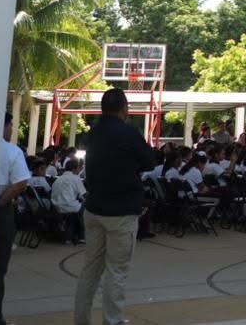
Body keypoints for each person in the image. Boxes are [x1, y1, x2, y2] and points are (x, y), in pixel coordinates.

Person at [73, 87, 158, 325]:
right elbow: (150, 161)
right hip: (121, 211)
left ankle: (81, 319)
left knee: (90, 269)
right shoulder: (129, 133)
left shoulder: (92, 133)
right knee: (116, 271)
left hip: (94, 207)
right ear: (124, 108)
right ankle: (112, 320)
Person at [0, 112, 30, 325]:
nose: (12, 129)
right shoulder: (12, 151)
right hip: (0, 213)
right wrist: (0, 202)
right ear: (3, 126)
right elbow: (21, 182)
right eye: (10, 125)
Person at [51, 158, 85, 245]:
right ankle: (82, 236)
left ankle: (69, 237)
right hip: (70, 207)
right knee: (86, 207)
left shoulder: (58, 179)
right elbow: (84, 195)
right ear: (74, 169)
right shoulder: (76, 178)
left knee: (74, 212)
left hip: (56, 207)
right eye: (78, 168)